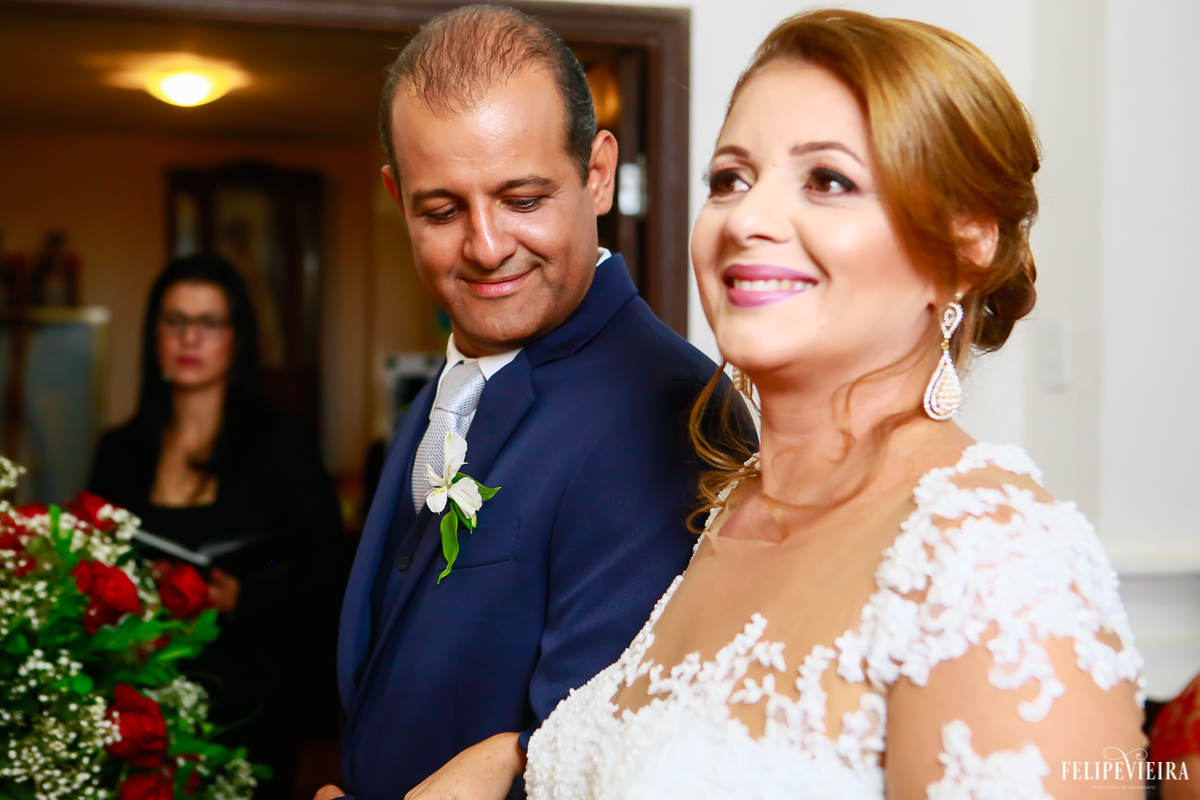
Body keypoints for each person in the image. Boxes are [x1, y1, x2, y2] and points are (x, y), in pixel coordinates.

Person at [523, 9, 1149, 798]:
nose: (746, 219)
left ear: (965, 243)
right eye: (730, 179)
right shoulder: (730, 510)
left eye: (828, 181)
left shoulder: (992, 563)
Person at [319, 6, 745, 800]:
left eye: (522, 199)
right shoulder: (455, 382)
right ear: (397, 196)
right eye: (441, 210)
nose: (485, 247)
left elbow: (609, 758)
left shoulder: (667, 412)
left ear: (597, 173)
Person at [88, 253, 344, 800]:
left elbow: (321, 564)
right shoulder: (119, 452)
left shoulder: (282, 444)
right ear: (154, 335)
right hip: (141, 697)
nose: (189, 338)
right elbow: (93, 561)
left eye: (208, 323)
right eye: (175, 321)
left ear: (237, 338)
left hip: (251, 696)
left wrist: (244, 595)